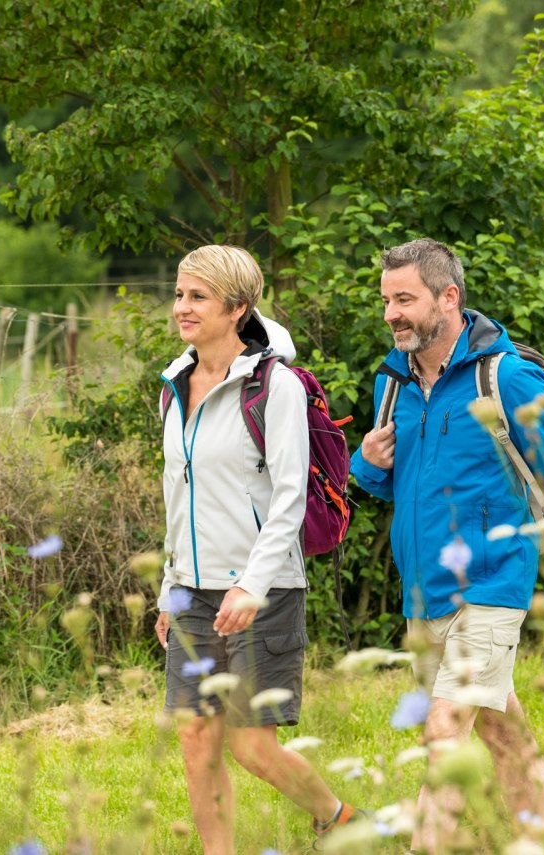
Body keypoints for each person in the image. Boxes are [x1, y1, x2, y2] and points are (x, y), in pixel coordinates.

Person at [348, 238, 544, 853]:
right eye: (386, 301)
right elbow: (390, 482)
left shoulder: (503, 378)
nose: (392, 314)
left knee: (444, 731)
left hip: (492, 581)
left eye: (404, 300)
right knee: (499, 727)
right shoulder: (394, 380)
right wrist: (363, 464)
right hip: (426, 588)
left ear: (448, 297)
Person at [155, 244, 363, 854]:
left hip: (264, 588)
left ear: (238, 306)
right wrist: (171, 588)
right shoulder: (173, 385)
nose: (182, 307)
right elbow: (177, 494)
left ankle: (337, 816)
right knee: (196, 737)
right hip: (193, 590)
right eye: (178, 293)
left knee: (250, 744)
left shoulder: (275, 388)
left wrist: (253, 584)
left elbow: (289, 498)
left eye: (197, 296)